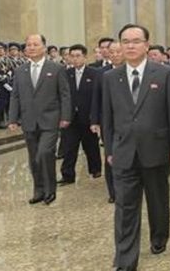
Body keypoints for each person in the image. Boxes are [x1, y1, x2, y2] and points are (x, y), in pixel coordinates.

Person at [102, 24, 170, 271]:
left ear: (147, 45)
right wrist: (109, 150)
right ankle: (125, 260)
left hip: (157, 149)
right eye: (125, 41)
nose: (130, 45)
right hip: (123, 151)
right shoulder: (110, 78)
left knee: (157, 200)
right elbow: (107, 117)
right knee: (125, 207)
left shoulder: (164, 74)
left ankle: (159, 236)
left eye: (136, 41)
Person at [8, 34, 72, 205]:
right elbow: (15, 96)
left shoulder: (56, 68)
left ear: (44, 47)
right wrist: (13, 119)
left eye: (35, 44)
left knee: (44, 153)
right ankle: (39, 190)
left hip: (50, 119)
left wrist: (66, 116)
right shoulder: (20, 70)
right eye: (28, 45)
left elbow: (65, 94)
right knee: (34, 158)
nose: (31, 47)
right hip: (29, 120)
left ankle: (50, 190)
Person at [59, 44, 102, 185]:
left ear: (85, 57)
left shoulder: (95, 73)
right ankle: (67, 175)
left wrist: (96, 118)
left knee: (91, 145)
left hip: (88, 116)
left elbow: (97, 97)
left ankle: (95, 169)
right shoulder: (66, 74)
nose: (75, 59)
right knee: (69, 147)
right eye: (72, 56)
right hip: (71, 117)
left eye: (78, 56)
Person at [91, 41, 124, 203]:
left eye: (118, 52)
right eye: (112, 52)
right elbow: (96, 98)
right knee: (110, 155)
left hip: (129, 121)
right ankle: (113, 192)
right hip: (108, 122)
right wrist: (95, 121)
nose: (115, 55)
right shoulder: (102, 73)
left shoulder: (131, 71)